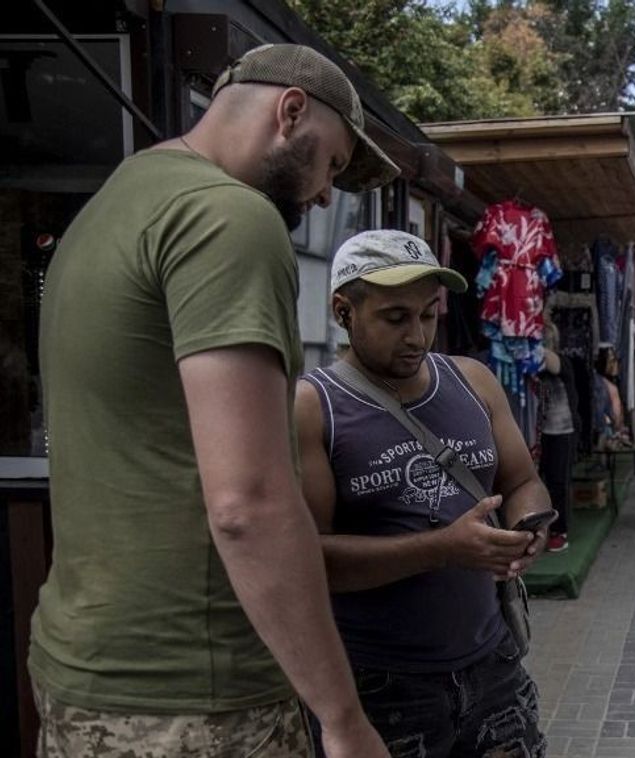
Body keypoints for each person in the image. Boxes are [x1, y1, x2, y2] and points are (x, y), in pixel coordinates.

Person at [31, 44, 398, 757]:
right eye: (331, 164)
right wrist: (343, 718)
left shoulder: (116, 201)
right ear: (290, 112)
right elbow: (247, 505)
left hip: (80, 666)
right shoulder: (229, 218)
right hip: (195, 690)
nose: (328, 194)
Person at [296, 229, 550, 757]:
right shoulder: (313, 408)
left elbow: (522, 481)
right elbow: (309, 560)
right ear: (344, 312)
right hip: (381, 686)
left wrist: (528, 529)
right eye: (395, 318)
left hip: (493, 665)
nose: (417, 335)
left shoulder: (473, 380)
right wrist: (442, 549)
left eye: (428, 315)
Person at [539, 315, 579, 552]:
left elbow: (551, 362)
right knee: (537, 479)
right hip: (536, 430)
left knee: (557, 482)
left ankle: (559, 530)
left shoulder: (561, 361)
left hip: (560, 430)